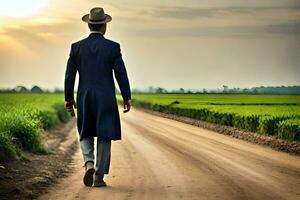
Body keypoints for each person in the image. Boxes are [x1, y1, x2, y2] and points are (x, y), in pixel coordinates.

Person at [64, 7, 132, 187]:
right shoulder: (113, 47)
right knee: (104, 133)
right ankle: (99, 177)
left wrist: (68, 99)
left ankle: (88, 163)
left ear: (88, 25)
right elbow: (121, 74)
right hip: (106, 97)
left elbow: (69, 76)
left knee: (85, 131)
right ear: (105, 26)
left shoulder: (76, 47)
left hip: (85, 96)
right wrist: (127, 96)